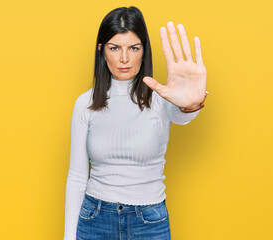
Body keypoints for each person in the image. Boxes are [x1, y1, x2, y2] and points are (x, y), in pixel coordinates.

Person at [63, 6, 208, 240]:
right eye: (114, 48)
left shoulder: (162, 98)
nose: (124, 58)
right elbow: (77, 177)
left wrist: (191, 102)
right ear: (102, 50)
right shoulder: (85, 103)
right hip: (95, 219)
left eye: (133, 48)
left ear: (144, 50)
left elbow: (181, 115)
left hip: (149, 221)